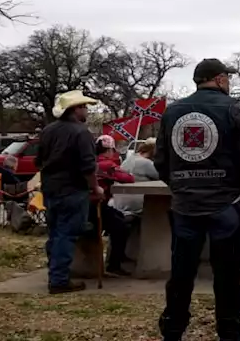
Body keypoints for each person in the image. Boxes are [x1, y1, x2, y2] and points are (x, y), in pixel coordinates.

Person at [155, 58, 240, 341]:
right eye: (227, 76)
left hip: (185, 206)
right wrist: (235, 190)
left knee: (181, 273)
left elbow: (162, 161)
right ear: (219, 79)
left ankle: (173, 328)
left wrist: (180, 186)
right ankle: (229, 331)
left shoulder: (173, 112)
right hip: (225, 205)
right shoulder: (236, 109)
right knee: (227, 275)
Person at [36, 90, 104, 295]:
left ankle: (55, 273)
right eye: (84, 107)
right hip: (73, 190)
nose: (87, 111)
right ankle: (59, 280)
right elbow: (87, 166)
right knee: (67, 234)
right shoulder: (81, 133)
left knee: (55, 233)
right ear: (75, 109)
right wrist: (96, 187)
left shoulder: (48, 131)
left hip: (50, 188)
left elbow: (38, 161)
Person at [94, 135, 135, 276]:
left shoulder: (92, 162)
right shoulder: (107, 165)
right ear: (109, 150)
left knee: (120, 217)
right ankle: (114, 263)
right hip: (97, 207)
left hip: (88, 205)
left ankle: (118, 257)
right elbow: (128, 178)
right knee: (121, 227)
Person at [111, 139, 159, 218]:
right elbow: (163, 177)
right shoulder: (146, 163)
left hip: (119, 203)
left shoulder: (129, 159)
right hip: (135, 205)